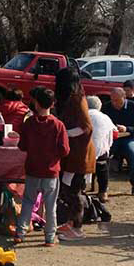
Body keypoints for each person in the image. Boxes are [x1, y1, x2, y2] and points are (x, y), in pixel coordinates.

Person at [15, 87, 69, 246]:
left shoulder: (29, 123)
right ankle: (49, 237)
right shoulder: (58, 125)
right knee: (50, 206)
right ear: (53, 104)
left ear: (36, 103)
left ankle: (20, 232)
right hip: (51, 171)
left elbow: (22, 146)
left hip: (32, 169)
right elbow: (65, 150)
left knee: (27, 202)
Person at [54, 68, 95, 241]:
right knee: (66, 189)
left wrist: (64, 132)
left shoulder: (78, 100)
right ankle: (72, 222)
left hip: (80, 155)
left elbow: (86, 127)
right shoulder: (68, 100)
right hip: (71, 154)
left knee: (73, 191)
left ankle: (77, 228)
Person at [102, 88, 134, 195]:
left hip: (129, 137)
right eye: (112, 100)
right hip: (112, 138)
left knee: (132, 153)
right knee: (103, 155)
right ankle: (103, 185)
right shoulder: (107, 107)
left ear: (124, 98)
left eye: (117, 100)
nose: (114, 103)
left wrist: (127, 129)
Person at [86, 96, 116, 204]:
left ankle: (81, 188)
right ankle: (103, 191)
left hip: (84, 153)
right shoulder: (105, 117)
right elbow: (114, 133)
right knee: (103, 165)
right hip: (100, 153)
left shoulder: (81, 116)